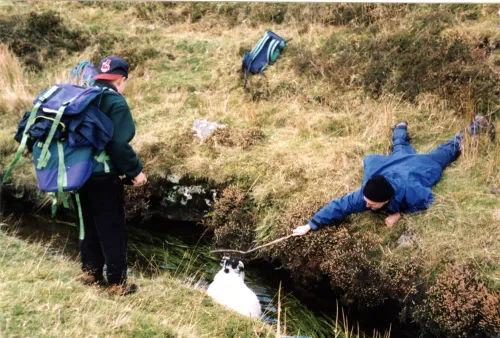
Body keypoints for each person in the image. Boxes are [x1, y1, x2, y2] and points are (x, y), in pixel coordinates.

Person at [292, 115, 495, 236]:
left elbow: (427, 200)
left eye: (372, 205)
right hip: (392, 164)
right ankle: (400, 126)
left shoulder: (412, 189)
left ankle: (478, 124)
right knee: (399, 145)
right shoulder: (365, 194)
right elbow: (338, 206)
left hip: (418, 166)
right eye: (367, 202)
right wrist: (310, 225)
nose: (367, 206)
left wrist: (400, 214)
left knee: (448, 150)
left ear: (387, 199)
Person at [78, 56, 147, 295]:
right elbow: (118, 143)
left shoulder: (86, 95)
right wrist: (135, 171)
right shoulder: (116, 102)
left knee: (89, 223)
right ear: (121, 79)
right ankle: (117, 283)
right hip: (104, 177)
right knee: (113, 229)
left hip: (80, 173)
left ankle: (90, 272)